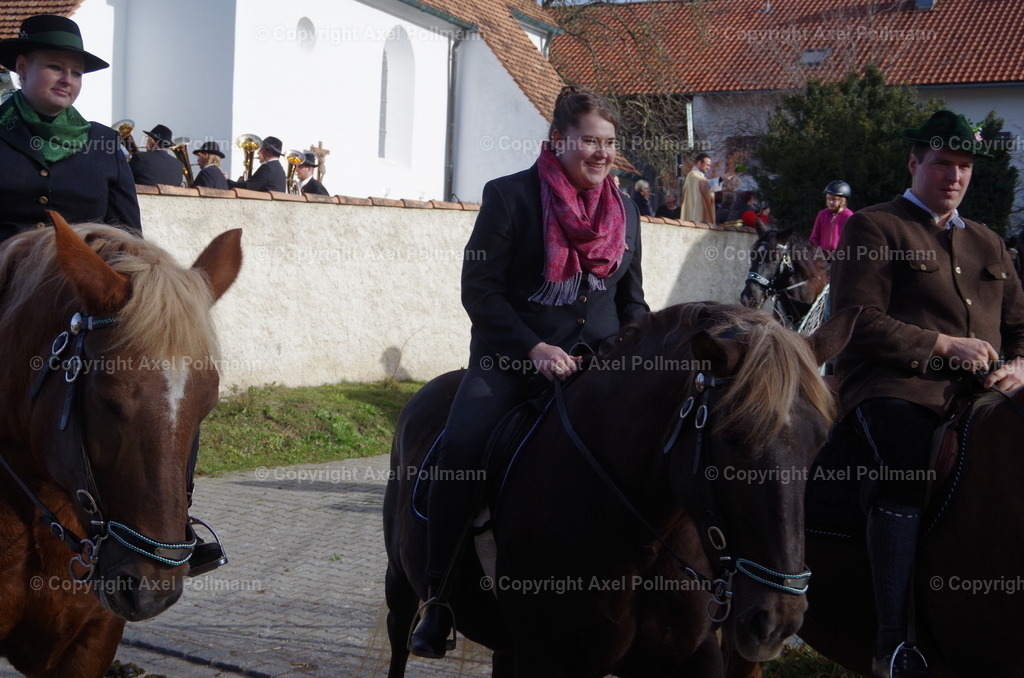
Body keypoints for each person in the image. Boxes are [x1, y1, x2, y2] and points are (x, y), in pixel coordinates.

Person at [409, 85, 648, 659]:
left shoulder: (627, 209)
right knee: (462, 446)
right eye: (589, 140)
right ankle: (438, 598)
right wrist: (534, 348)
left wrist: (627, 351)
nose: (600, 153)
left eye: (608, 143)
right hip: (510, 363)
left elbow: (634, 301)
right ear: (558, 139)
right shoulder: (510, 196)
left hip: (598, 370)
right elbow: (480, 292)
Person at [831, 109, 1024, 678]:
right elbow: (855, 320)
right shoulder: (873, 226)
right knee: (906, 460)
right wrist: (945, 345)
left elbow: (1020, 326)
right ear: (914, 162)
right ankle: (895, 643)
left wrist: (1020, 364)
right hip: (894, 387)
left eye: (964, 166)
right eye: (943, 164)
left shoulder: (988, 242)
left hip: (984, 394)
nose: (955, 176)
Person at [0, 14, 140, 240]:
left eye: (77, 72)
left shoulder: (105, 142)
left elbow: (129, 243)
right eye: (55, 67)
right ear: (22, 67)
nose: (68, 79)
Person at [810, 180, 854, 252]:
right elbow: (814, 237)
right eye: (828, 198)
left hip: (840, 257)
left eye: (834, 199)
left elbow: (851, 239)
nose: (830, 202)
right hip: (822, 257)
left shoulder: (848, 216)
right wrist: (816, 251)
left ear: (843, 201)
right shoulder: (822, 215)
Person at [680, 153, 715, 224]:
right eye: (707, 165)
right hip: (695, 213)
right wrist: (721, 179)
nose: (708, 168)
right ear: (699, 163)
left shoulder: (699, 176)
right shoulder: (693, 176)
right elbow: (704, 183)